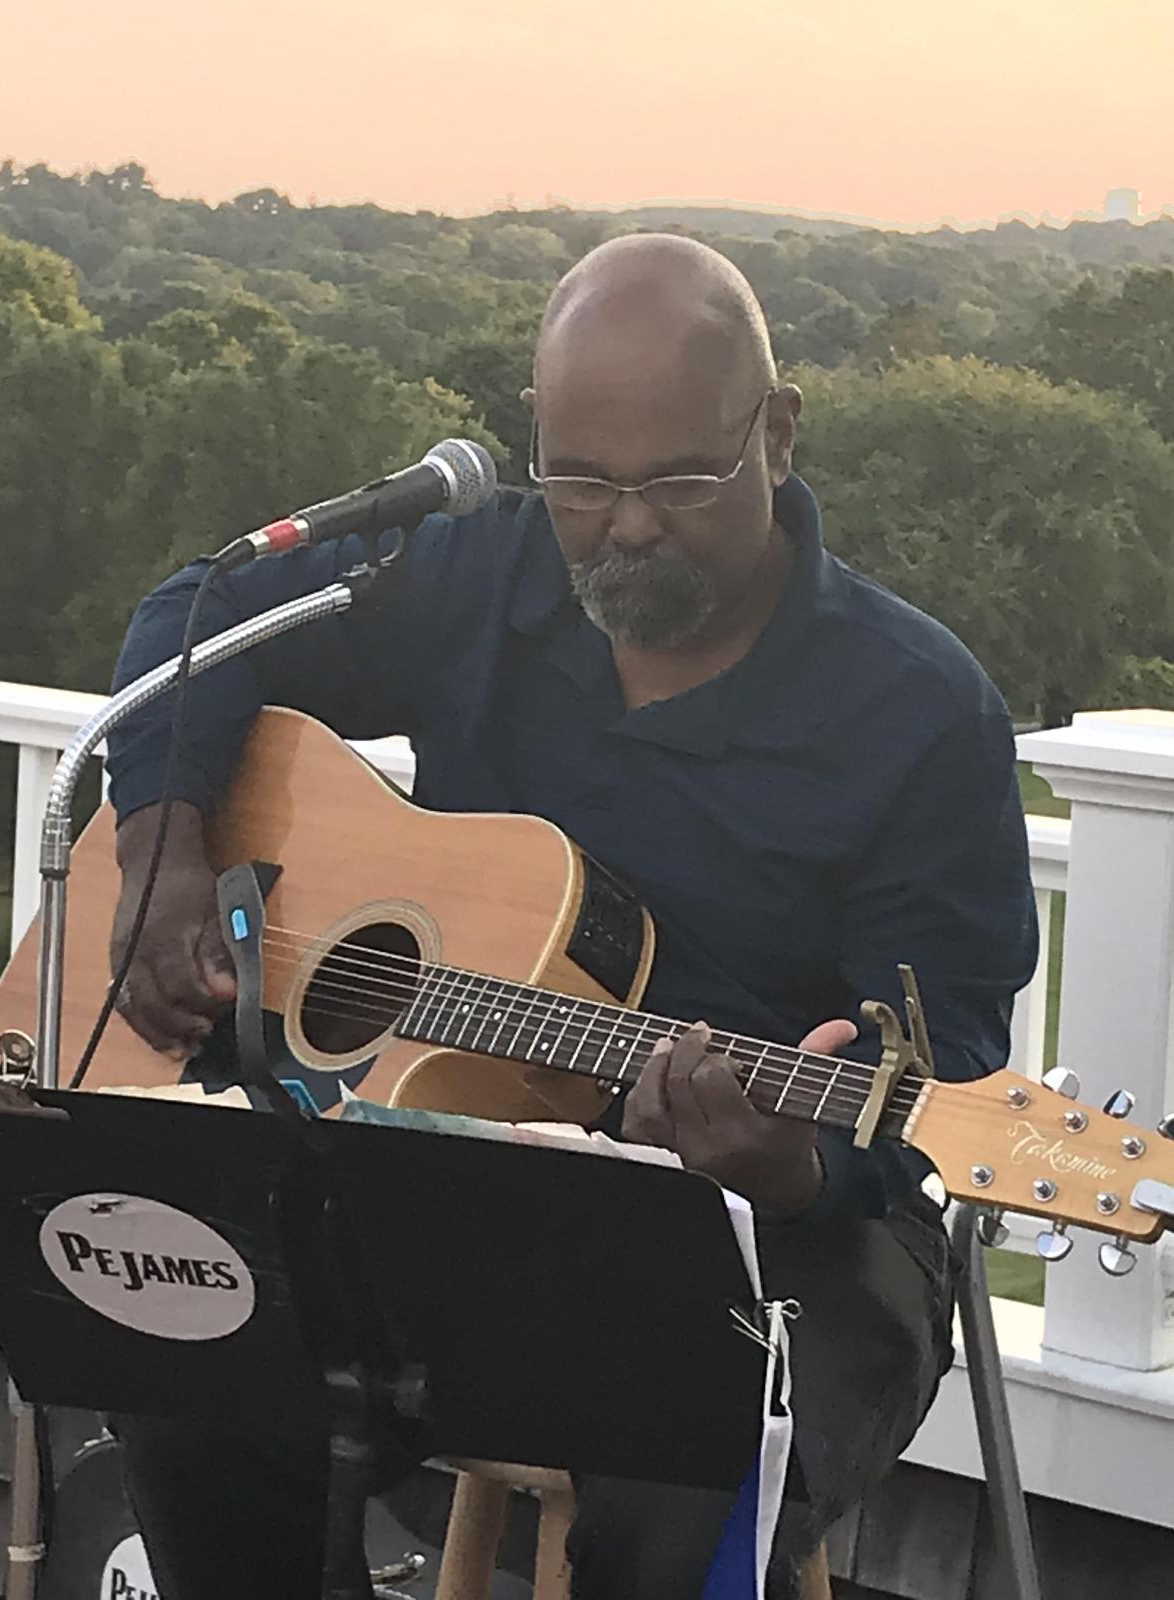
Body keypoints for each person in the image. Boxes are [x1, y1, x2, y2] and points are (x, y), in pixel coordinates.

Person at [105, 234, 1037, 1599]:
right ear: (535, 439)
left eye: (678, 479)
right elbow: (203, 612)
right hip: (458, 1171)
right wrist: (165, 850)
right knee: (196, 1352)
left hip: (795, 1237)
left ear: (777, 432)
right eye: (583, 482)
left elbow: (942, 1080)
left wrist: (780, 1164)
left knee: (689, 1484)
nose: (628, 524)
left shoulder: (919, 712)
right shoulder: (480, 574)